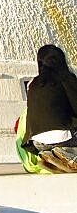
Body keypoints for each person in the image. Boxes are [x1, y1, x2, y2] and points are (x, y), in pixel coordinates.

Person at [21, 45, 77, 173]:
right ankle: (70, 155)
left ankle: (50, 156)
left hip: (36, 142)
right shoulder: (65, 78)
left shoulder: (33, 83)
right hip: (63, 138)